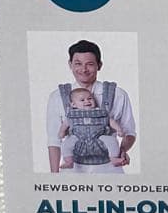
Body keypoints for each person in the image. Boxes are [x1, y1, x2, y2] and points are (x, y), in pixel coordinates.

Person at [46, 40, 137, 174]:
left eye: (90, 64)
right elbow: (54, 140)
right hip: (73, 173)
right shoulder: (57, 96)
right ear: (70, 65)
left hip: (109, 171)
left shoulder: (118, 94)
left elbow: (129, 132)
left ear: (99, 65)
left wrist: (122, 151)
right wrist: (54, 177)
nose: (83, 69)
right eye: (78, 64)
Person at [58, 87, 124, 169]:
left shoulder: (100, 112)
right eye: (82, 100)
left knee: (112, 141)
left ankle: (114, 158)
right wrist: (61, 132)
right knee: (66, 144)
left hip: (99, 136)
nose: (87, 101)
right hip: (78, 137)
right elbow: (65, 124)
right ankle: (69, 161)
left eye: (90, 98)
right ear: (73, 105)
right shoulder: (72, 115)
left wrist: (119, 129)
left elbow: (110, 121)